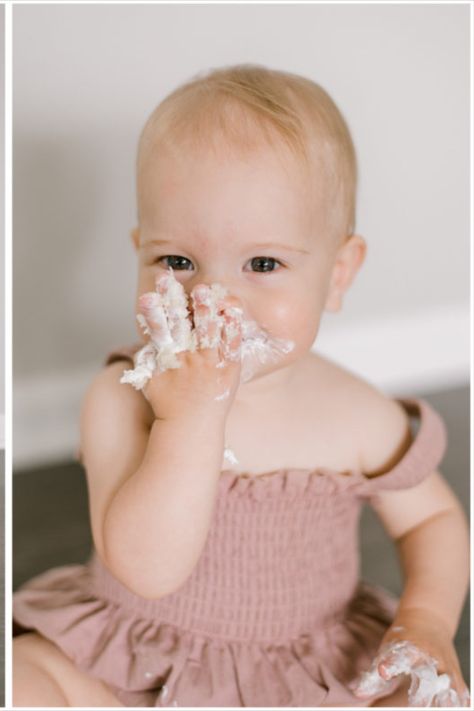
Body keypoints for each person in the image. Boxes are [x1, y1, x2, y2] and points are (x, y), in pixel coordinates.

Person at [13, 64, 470, 708]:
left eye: (263, 264)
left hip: (303, 674)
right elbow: (147, 571)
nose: (213, 298)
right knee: (23, 677)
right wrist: (190, 419)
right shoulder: (122, 396)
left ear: (337, 275)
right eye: (177, 262)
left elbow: (435, 519)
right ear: (139, 253)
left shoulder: (357, 415)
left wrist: (425, 621)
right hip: (136, 662)